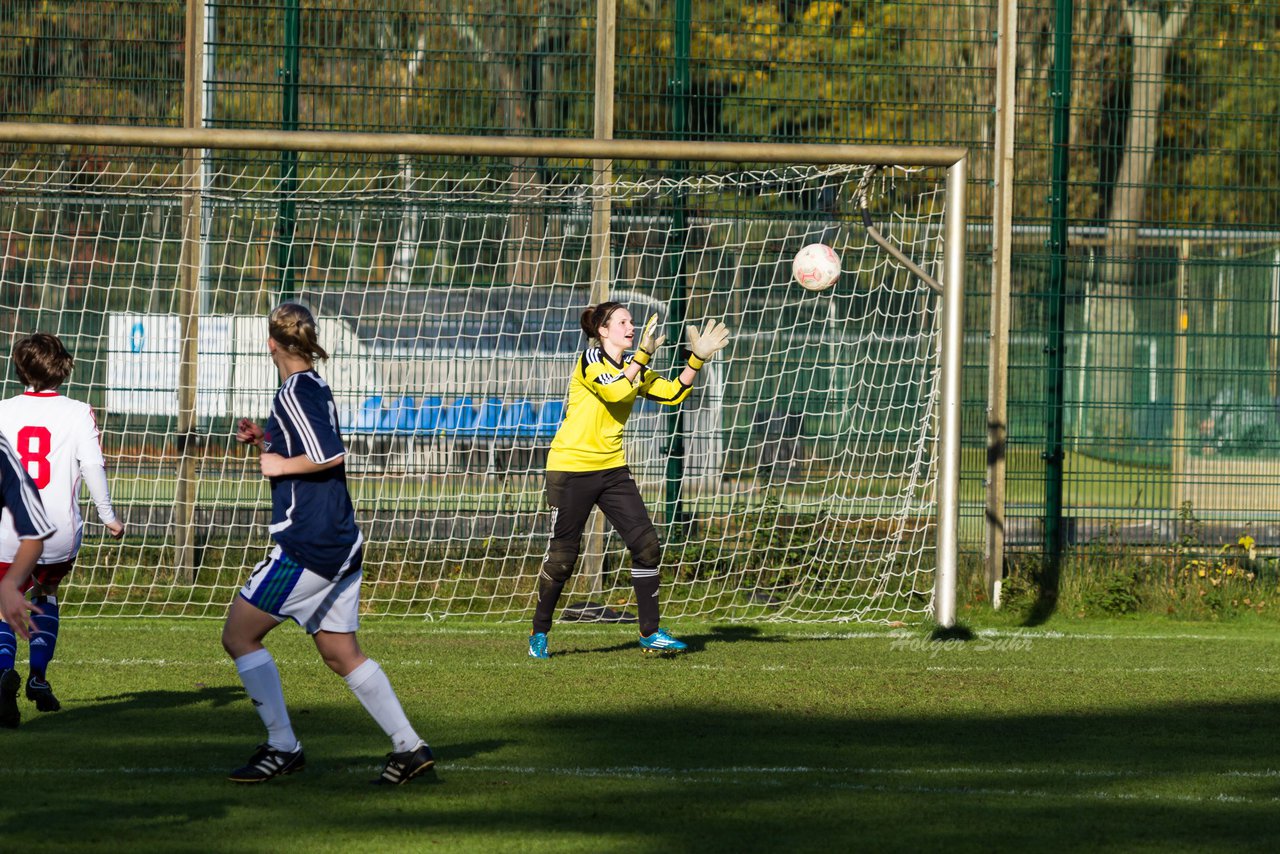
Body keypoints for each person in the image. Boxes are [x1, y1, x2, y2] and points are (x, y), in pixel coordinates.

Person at [222, 302, 435, 785]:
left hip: (309, 545)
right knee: (341, 653)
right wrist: (267, 441)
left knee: (238, 635)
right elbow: (307, 442)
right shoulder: (311, 385)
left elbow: (328, 454)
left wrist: (278, 464)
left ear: (271, 343)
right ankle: (409, 747)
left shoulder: (295, 391)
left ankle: (282, 747)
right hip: (339, 540)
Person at [529, 301, 730, 659]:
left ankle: (650, 633)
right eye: (622, 321)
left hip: (612, 471)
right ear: (602, 331)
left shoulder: (635, 366)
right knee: (562, 559)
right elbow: (616, 391)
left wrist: (696, 359)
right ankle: (539, 632)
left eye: (632, 322)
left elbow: (672, 394)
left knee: (647, 546)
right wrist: (640, 358)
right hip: (571, 468)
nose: (631, 326)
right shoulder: (592, 360)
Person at [0, 333, 123, 728]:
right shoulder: (78, 412)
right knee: (46, 592)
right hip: (57, 534)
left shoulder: (2, 410)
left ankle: (4, 672)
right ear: (62, 368)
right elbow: (92, 467)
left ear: (20, 368)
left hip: (9, 531)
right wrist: (108, 515)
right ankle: (37, 676)